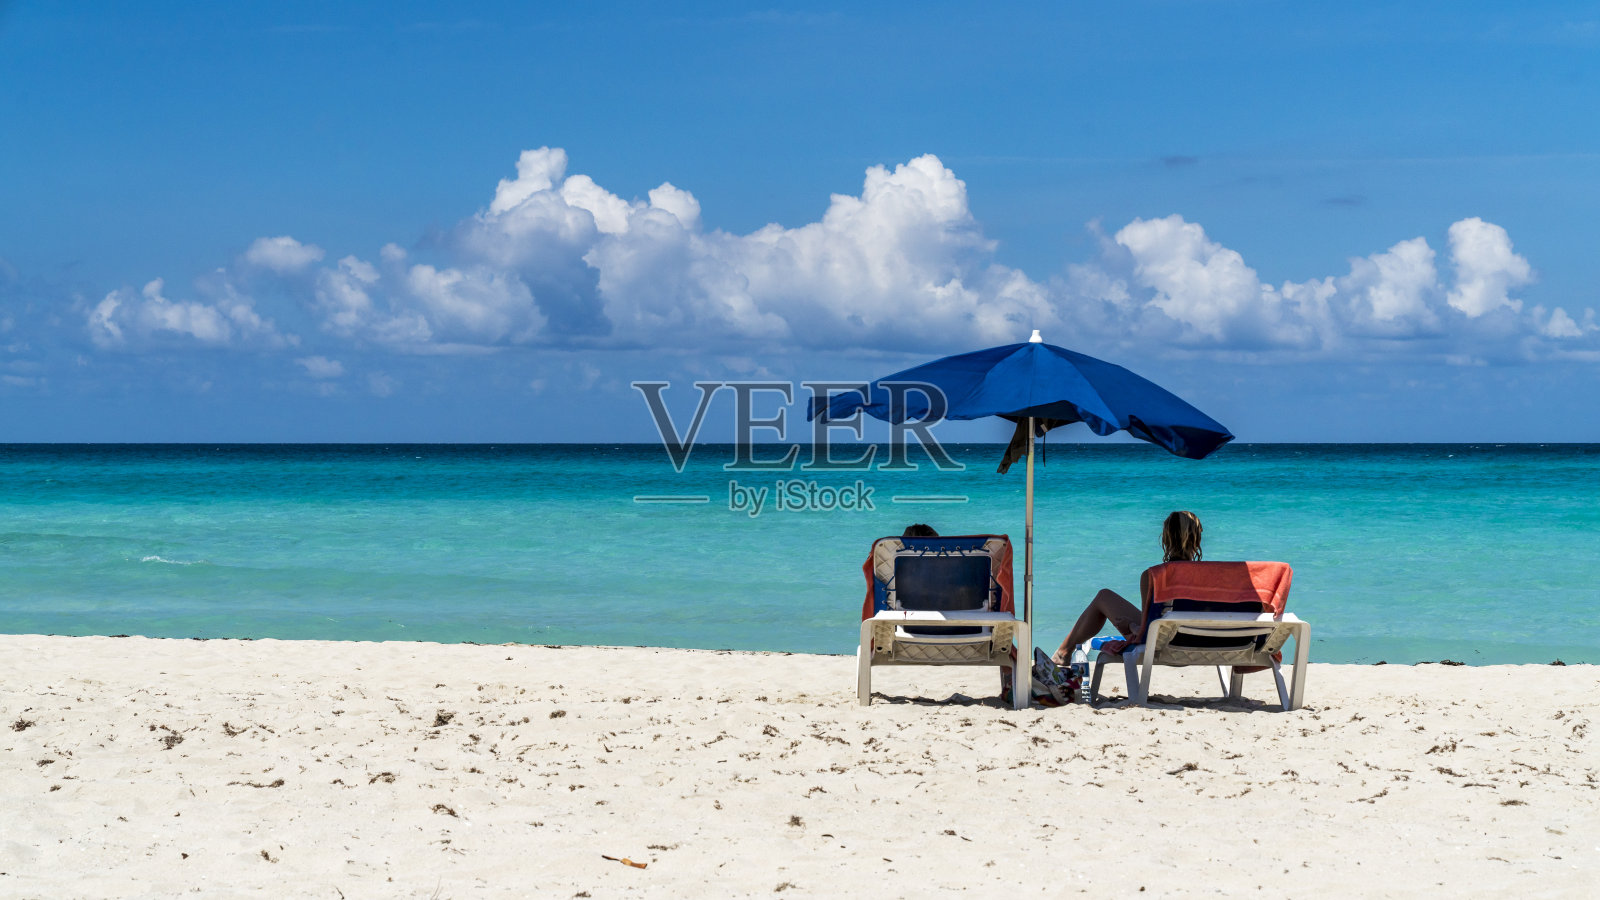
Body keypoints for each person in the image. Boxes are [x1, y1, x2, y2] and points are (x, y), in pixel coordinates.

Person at [1051, 510, 1203, 665]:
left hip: (1163, 648)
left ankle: (1062, 654)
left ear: (1165, 539)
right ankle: (1062, 654)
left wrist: (1130, 625)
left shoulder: (1153, 576)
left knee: (1104, 596)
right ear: (1197, 540)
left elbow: (1147, 632)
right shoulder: (1213, 577)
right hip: (1203, 647)